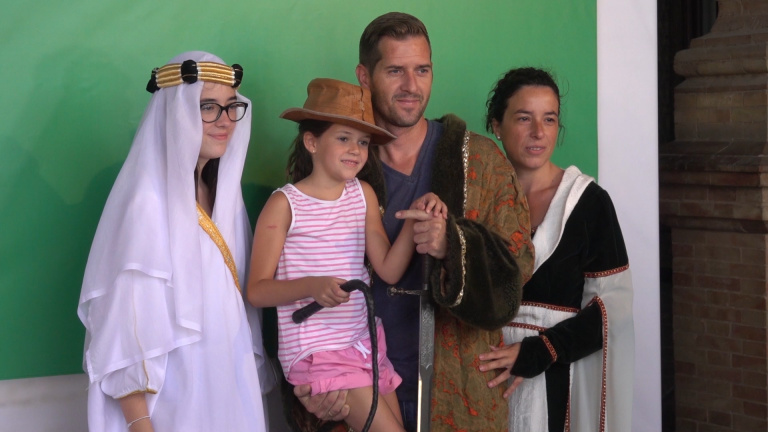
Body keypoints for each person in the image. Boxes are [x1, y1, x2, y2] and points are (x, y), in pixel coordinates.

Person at [295, 13, 535, 432]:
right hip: (355, 389)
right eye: (395, 71)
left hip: (459, 392)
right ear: (364, 77)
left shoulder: (480, 161)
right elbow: (292, 275)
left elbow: (517, 269)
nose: (411, 85)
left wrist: (453, 245)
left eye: (422, 70)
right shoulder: (331, 163)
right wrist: (304, 382)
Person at [77, 51, 268, 432]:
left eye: (231, 107)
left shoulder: (222, 199)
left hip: (227, 392)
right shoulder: (146, 203)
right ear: (175, 113)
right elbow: (124, 334)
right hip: (171, 407)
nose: (225, 121)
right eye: (208, 107)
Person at [247, 78, 447, 432]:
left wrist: (415, 217)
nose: (355, 149)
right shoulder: (285, 204)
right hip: (317, 351)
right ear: (312, 142)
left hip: (365, 342)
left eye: (363, 142)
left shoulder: (361, 194)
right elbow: (257, 291)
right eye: (343, 138)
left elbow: (388, 269)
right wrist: (312, 286)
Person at [478, 67, 634, 432]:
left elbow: (614, 311)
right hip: (484, 371)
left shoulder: (589, 202)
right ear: (497, 125)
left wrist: (541, 350)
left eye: (549, 119)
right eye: (524, 118)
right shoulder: (478, 201)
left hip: (558, 379)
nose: (538, 132)